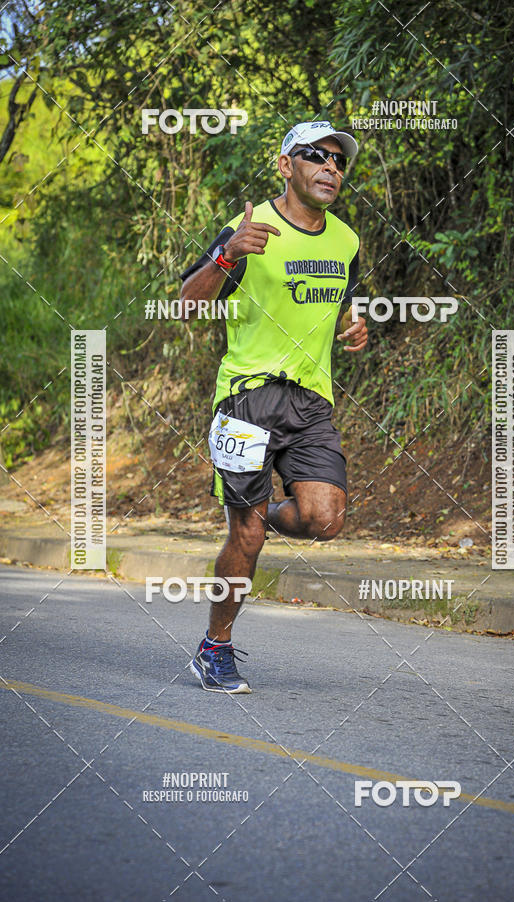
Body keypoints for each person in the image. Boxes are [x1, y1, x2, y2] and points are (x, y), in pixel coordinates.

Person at [180, 120, 368, 693]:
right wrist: (226, 255)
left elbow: (339, 305)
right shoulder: (248, 227)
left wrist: (352, 327)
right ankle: (215, 648)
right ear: (285, 165)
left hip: (311, 401)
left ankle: (257, 517)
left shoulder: (347, 240)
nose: (330, 168)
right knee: (247, 537)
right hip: (247, 398)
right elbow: (187, 305)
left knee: (324, 518)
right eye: (316, 156)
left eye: (339, 161)